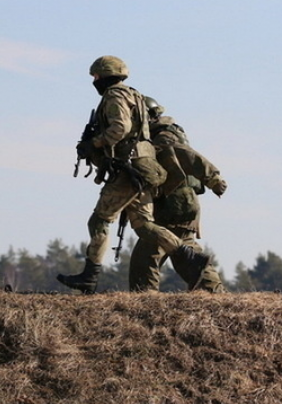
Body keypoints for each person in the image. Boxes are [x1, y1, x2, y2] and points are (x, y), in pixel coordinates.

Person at [57, 56, 212, 294]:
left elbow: (121, 127)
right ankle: (188, 256)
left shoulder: (115, 95)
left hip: (129, 170)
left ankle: (90, 276)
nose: (94, 81)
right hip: (144, 169)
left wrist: (95, 143)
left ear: (105, 75)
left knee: (99, 221)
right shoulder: (135, 95)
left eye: (96, 76)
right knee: (145, 226)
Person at [129, 97, 228, 292]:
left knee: (149, 253)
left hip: (175, 203)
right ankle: (214, 292)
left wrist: (213, 179)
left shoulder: (163, 137)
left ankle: (144, 298)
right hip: (180, 202)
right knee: (183, 248)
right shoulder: (159, 135)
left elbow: (187, 155)